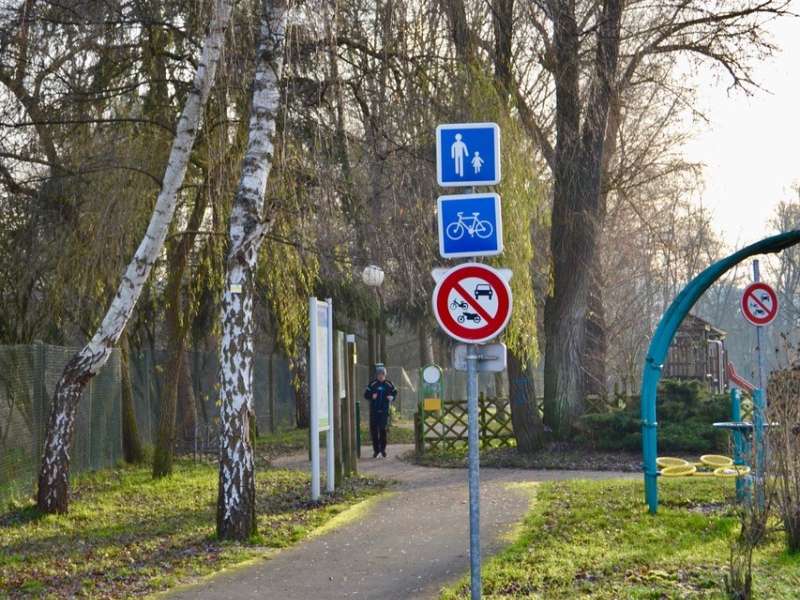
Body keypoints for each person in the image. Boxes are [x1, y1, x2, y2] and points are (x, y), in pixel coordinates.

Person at [364, 365, 397, 458]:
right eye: (379, 374)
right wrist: (371, 396)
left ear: (385, 375)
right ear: (377, 375)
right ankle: (376, 450)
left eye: (382, 374)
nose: (380, 376)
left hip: (384, 411)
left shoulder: (389, 384)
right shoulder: (372, 384)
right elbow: (366, 395)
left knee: (383, 430)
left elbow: (395, 393)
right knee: (374, 431)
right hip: (374, 411)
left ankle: (383, 449)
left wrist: (392, 397)